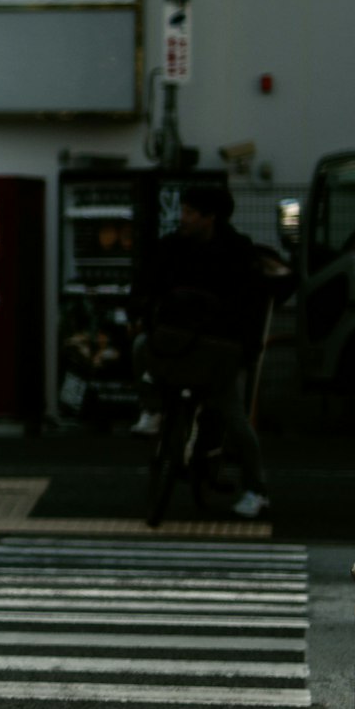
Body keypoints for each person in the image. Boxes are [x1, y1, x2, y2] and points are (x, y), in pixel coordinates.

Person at [141, 183, 288, 519]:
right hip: (184, 342)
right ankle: (155, 413)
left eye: (190, 212)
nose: (183, 218)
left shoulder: (236, 253)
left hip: (214, 346)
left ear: (210, 218)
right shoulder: (174, 247)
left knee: (233, 415)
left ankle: (256, 488)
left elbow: (248, 305)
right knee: (141, 348)